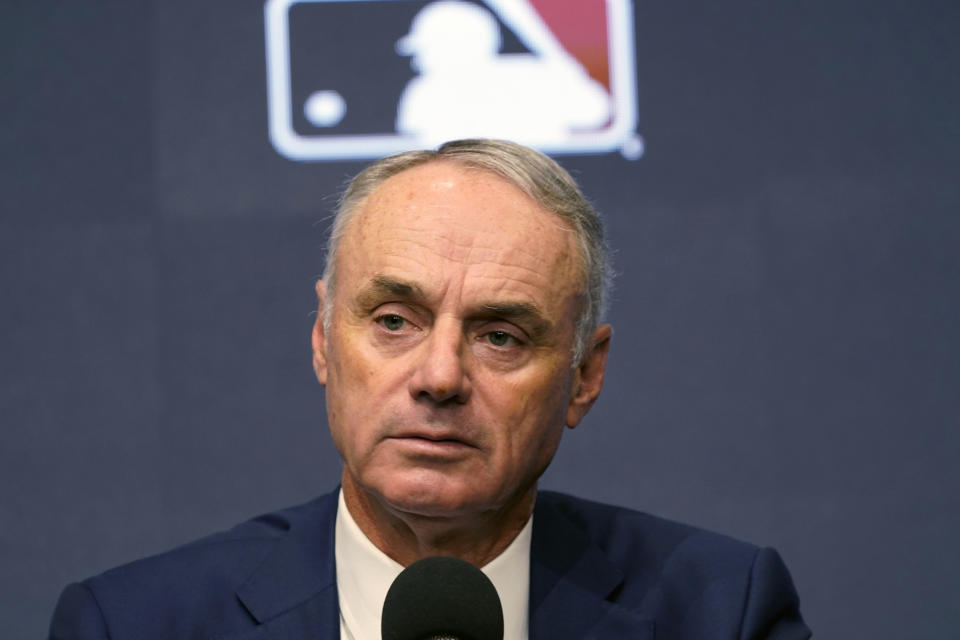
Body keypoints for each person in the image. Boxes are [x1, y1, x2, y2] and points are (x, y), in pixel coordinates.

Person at [49, 139, 810, 639]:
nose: (440, 377)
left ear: (584, 376)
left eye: (500, 336)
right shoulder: (134, 625)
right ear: (322, 339)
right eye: (393, 321)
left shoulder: (721, 614)